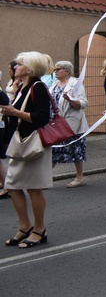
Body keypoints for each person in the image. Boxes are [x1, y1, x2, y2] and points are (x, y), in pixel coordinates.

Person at [1, 52, 54, 248]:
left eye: (20, 64)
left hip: (33, 145)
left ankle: (39, 230)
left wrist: (14, 112)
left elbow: (42, 117)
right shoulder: (23, 86)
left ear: (30, 68)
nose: (15, 66)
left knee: (34, 188)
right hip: (20, 145)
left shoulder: (38, 87)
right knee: (12, 186)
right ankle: (25, 226)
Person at [50, 61, 89, 188]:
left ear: (67, 71)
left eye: (58, 69)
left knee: (76, 149)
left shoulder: (75, 84)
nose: (55, 71)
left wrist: (70, 100)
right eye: (55, 69)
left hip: (72, 123)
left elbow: (83, 104)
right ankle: (45, 177)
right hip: (57, 123)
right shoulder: (55, 84)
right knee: (54, 149)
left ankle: (79, 177)